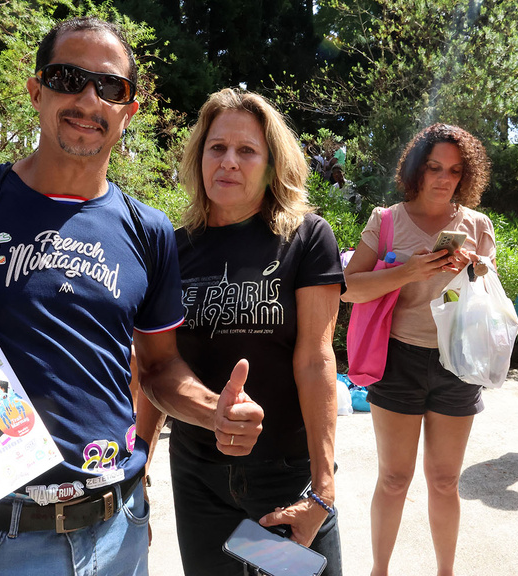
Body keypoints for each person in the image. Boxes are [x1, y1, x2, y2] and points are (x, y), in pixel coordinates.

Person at [0, 17, 264, 575]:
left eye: (110, 87)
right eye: (67, 78)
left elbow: (158, 366)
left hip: (117, 525)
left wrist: (214, 412)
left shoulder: (148, 230)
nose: (88, 98)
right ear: (35, 89)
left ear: (129, 109)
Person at [136, 88, 344, 575]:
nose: (229, 161)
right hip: (198, 479)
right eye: (217, 148)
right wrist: (137, 471)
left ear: (272, 164)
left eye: (247, 150)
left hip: (283, 479)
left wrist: (323, 488)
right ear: (199, 156)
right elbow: (154, 367)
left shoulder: (306, 238)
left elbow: (316, 362)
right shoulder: (171, 247)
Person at [342, 123, 495, 576]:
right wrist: (408, 272)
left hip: (458, 363)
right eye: (434, 168)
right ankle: (379, 571)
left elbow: (485, 299)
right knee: (394, 479)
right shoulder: (386, 220)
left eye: (454, 170)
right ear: (416, 169)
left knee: (445, 482)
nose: (443, 178)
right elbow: (348, 289)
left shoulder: (476, 225)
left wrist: (477, 269)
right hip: (399, 360)